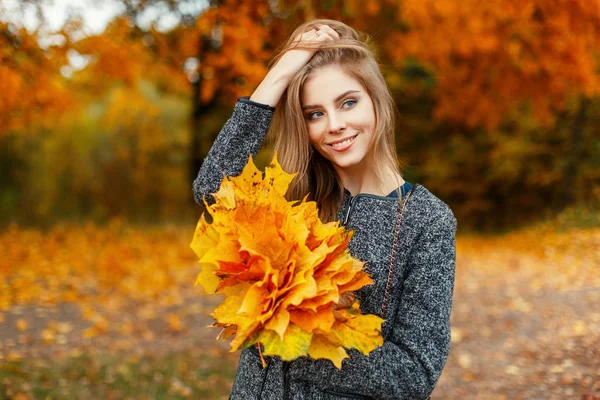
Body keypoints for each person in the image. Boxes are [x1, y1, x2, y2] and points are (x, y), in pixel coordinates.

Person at [192, 19, 457, 400]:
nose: (334, 124)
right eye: (314, 113)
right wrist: (282, 70)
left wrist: (293, 335)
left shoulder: (425, 220)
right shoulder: (290, 199)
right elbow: (211, 191)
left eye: (348, 102)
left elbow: (414, 373)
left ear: (376, 101)